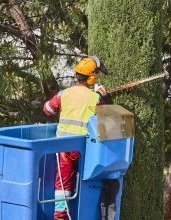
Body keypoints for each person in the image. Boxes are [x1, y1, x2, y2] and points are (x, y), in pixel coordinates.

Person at [43, 56, 107, 220]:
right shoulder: (95, 98)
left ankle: (60, 215)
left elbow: (47, 110)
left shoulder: (64, 94)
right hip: (84, 148)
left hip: (63, 148)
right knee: (87, 180)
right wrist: (100, 94)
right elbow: (102, 113)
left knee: (62, 184)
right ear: (92, 77)